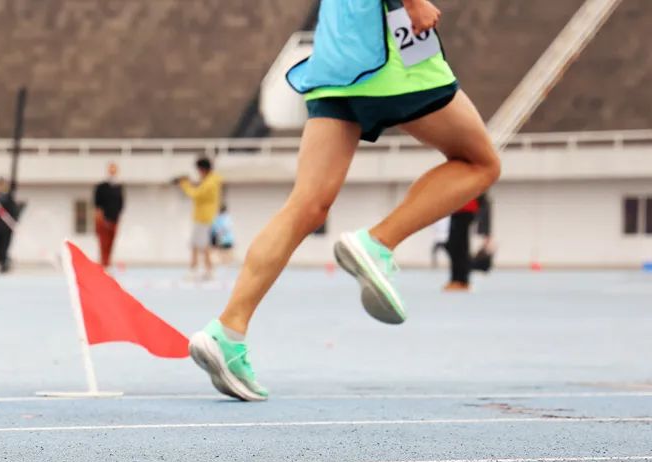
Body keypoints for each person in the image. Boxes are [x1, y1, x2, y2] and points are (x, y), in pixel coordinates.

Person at [188, 0, 501, 401]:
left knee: (306, 204)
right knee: (480, 164)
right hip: (388, 48)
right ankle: (377, 243)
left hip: (334, 55)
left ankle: (228, 331)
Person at [176, 157, 222, 280]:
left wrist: (184, 184)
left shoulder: (210, 182)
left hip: (203, 218)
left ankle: (200, 270)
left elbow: (195, 194)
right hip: (204, 217)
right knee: (199, 245)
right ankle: (204, 270)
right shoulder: (211, 180)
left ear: (202, 169)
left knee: (199, 245)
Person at [93, 162, 126, 269]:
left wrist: (118, 217)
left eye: (114, 169)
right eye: (111, 168)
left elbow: (121, 203)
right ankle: (103, 264)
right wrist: (100, 218)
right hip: (104, 219)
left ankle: (108, 263)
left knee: (111, 243)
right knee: (104, 243)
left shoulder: (119, 187)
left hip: (114, 219)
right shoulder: (101, 187)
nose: (112, 171)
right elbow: (97, 204)